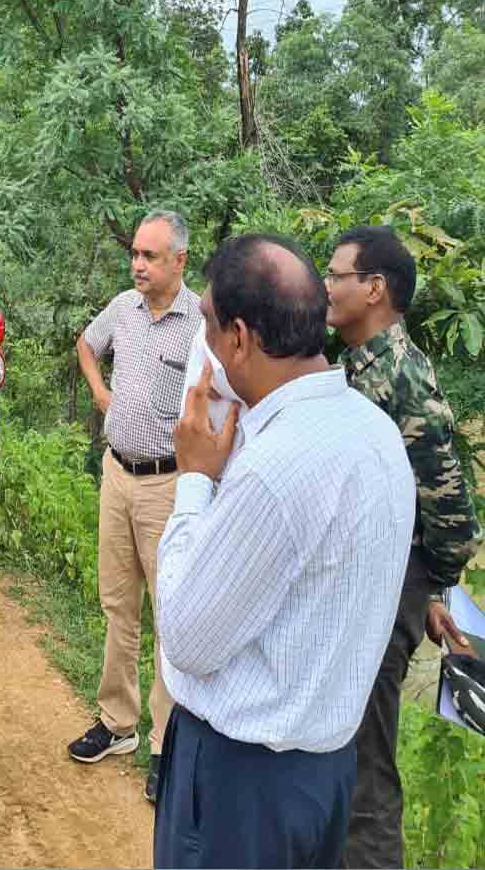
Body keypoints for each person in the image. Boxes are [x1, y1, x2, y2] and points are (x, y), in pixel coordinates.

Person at [153, 233, 416, 869]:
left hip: (239, 784)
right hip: (325, 776)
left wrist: (196, 480)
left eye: (210, 326)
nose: (206, 346)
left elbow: (186, 636)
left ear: (239, 339)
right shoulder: (376, 433)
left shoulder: (275, 470)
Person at [324, 225, 483, 869]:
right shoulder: (356, 367)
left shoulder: (400, 375)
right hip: (368, 582)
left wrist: (424, 588)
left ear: (374, 288)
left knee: (365, 768)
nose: (326, 286)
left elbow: (451, 511)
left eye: (336, 275)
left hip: (387, 590)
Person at [70, 209, 200, 801]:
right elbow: (86, 344)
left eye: (150, 256)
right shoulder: (123, 308)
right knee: (118, 603)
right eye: (136, 254)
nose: (138, 265)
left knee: (169, 616)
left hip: (167, 485)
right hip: (117, 473)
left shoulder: (200, 325)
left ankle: (165, 745)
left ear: (180, 260)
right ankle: (117, 722)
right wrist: (101, 392)